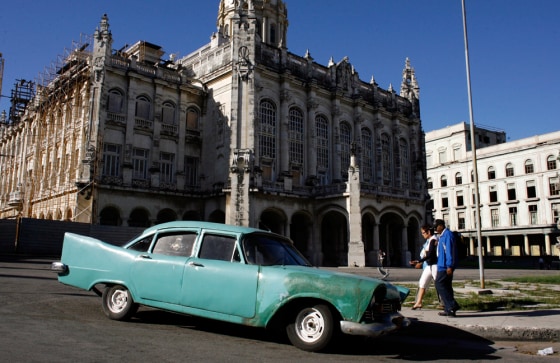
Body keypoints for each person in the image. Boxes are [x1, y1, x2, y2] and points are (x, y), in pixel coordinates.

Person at [433, 219, 461, 317]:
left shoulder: (448, 235)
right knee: (447, 286)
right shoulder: (442, 236)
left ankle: (452, 305)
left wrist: (450, 265)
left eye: (436, 227)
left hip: (445, 266)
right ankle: (448, 309)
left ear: (441, 226)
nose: (435, 229)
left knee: (439, 284)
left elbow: (449, 251)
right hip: (442, 265)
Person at [409, 224, 438, 310]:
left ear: (428, 232)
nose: (422, 234)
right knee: (422, 282)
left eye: (423, 233)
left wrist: (419, 261)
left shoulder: (433, 240)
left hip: (435, 265)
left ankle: (445, 303)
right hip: (429, 265)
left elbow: (430, 254)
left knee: (439, 284)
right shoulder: (429, 241)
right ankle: (418, 302)